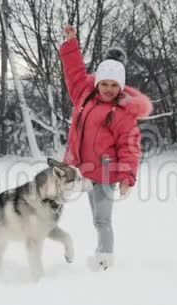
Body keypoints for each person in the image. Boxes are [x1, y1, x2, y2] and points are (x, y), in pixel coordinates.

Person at [60, 24, 153, 270]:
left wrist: (126, 177)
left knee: (102, 220)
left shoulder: (122, 113)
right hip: (81, 170)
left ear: (120, 86)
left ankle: (104, 260)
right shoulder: (85, 95)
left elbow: (129, 148)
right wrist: (70, 44)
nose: (109, 89)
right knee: (81, 214)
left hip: (104, 174)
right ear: (97, 83)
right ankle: (96, 253)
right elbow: (74, 73)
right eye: (105, 84)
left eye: (114, 85)